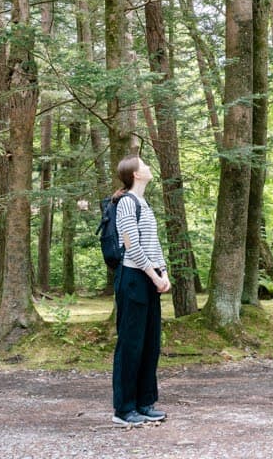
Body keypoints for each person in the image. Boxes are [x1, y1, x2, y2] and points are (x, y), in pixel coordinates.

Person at [110, 154, 170, 427]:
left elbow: (153, 243)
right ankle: (124, 409)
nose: (147, 167)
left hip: (150, 278)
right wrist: (152, 275)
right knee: (131, 343)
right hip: (133, 277)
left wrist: (163, 272)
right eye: (143, 164)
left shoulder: (145, 204)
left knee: (150, 343)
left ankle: (145, 403)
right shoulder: (126, 204)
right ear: (135, 174)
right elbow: (131, 245)